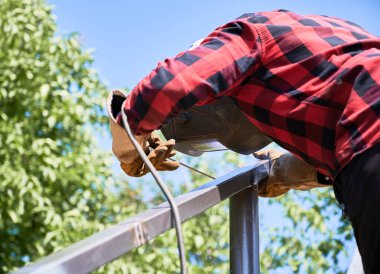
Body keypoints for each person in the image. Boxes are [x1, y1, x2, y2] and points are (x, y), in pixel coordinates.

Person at [107, 10, 380, 272]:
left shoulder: (246, 34)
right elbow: (336, 150)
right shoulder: (323, 41)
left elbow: (174, 80)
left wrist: (128, 128)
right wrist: (282, 172)